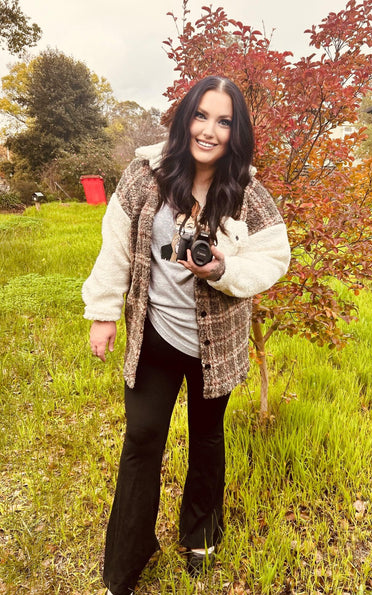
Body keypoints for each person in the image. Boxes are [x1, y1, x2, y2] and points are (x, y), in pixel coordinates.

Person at [82, 75, 291, 595]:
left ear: (235, 131)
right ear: (184, 117)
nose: (209, 130)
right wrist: (104, 311)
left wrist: (223, 271)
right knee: (141, 437)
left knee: (207, 437)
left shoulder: (246, 189)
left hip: (214, 346)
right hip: (153, 335)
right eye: (201, 115)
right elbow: (115, 241)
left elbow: (274, 257)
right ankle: (127, 557)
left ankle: (200, 534)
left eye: (224, 121)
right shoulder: (145, 173)